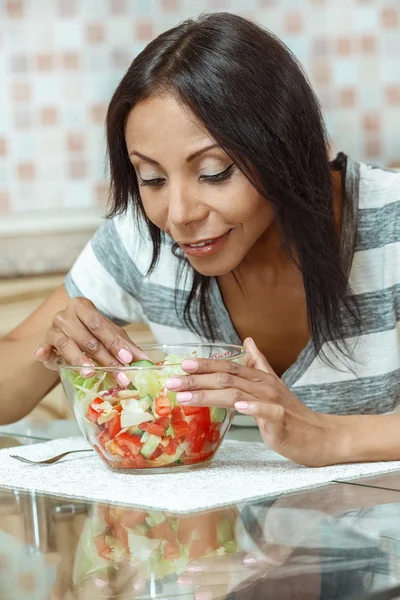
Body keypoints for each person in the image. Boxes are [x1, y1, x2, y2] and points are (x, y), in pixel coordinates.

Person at [1, 12, 399, 467]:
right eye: (151, 178)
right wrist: (56, 344)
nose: (179, 215)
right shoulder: (140, 239)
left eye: (214, 172)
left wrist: (327, 437)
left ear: (286, 148)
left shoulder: (388, 218)